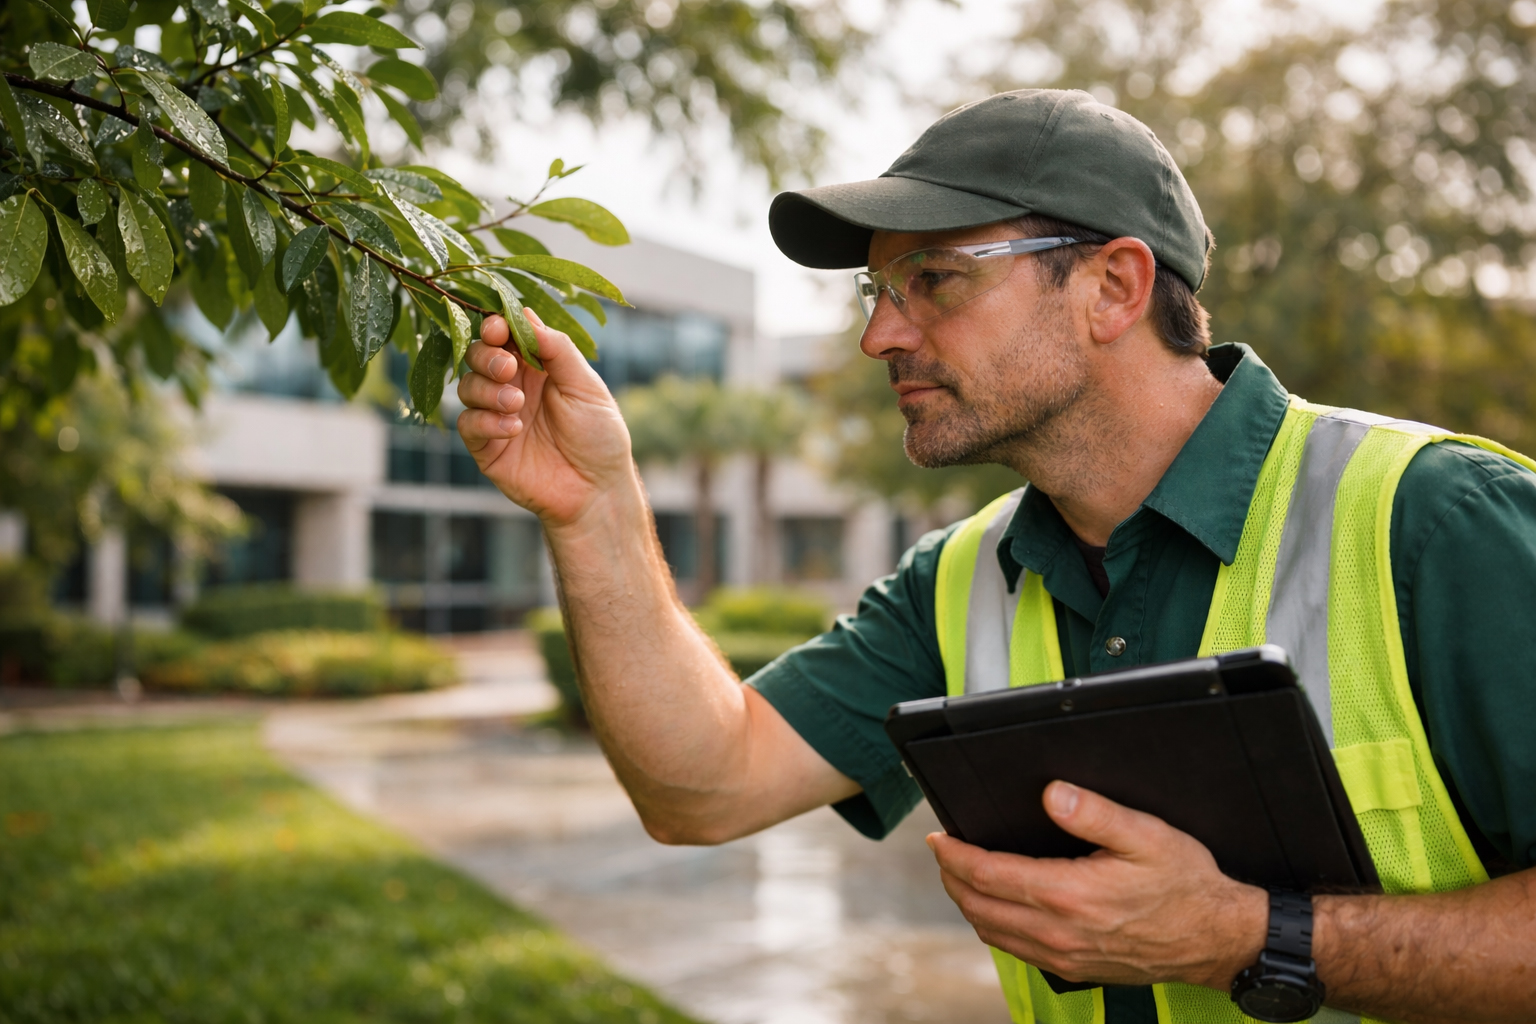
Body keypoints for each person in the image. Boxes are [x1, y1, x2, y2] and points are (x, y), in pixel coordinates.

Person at [456, 89, 1536, 1024]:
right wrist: (593, 507)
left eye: (933, 279)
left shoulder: (1435, 521)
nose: (881, 335)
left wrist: (1251, 935)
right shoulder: (959, 579)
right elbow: (703, 787)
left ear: (1114, 286)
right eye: (877, 291)